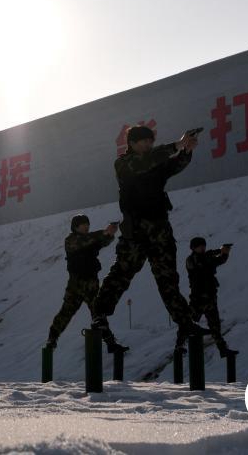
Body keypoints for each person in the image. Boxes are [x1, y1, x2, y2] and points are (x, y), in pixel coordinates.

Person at [91, 125, 208, 350]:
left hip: (160, 231)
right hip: (136, 232)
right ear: (132, 143)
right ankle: (100, 316)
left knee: (168, 279)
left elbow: (172, 166)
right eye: (143, 141)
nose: (148, 144)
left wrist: (186, 151)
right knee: (122, 274)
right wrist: (176, 145)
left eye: (150, 141)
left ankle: (185, 322)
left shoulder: (154, 161)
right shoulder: (124, 164)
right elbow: (145, 163)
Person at [46, 214, 128, 354]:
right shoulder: (71, 240)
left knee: (98, 313)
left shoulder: (89, 239)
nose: (86, 226)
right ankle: (51, 339)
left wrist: (110, 233)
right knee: (66, 313)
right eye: (83, 224)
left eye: (87, 224)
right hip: (75, 285)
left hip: (91, 283)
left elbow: (101, 242)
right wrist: (104, 232)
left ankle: (110, 343)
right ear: (75, 227)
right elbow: (86, 240)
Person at [185, 237, 237, 357]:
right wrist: (218, 252)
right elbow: (202, 265)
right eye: (199, 246)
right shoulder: (191, 260)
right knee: (188, 322)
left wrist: (224, 253)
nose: (202, 248)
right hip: (198, 298)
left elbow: (218, 261)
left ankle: (223, 349)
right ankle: (180, 347)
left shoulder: (206, 258)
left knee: (215, 326)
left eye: (203, 245)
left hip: (210, 298)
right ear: (193, 248)